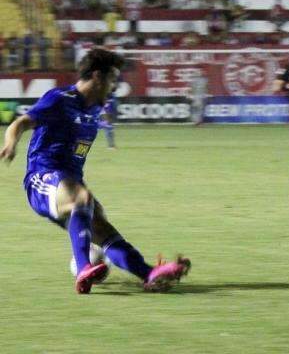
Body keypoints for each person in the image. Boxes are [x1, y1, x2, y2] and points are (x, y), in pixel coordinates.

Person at [0, 48, 190, 294]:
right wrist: (10, 143)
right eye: (113, 79)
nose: (115, 86)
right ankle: (83, 269)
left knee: (102, 226)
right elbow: (20, 123)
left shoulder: (93, 109)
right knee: (82, 199)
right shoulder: (59, 99)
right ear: (98, 76)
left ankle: (149, 274)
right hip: (41, 179)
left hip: (70, 182)